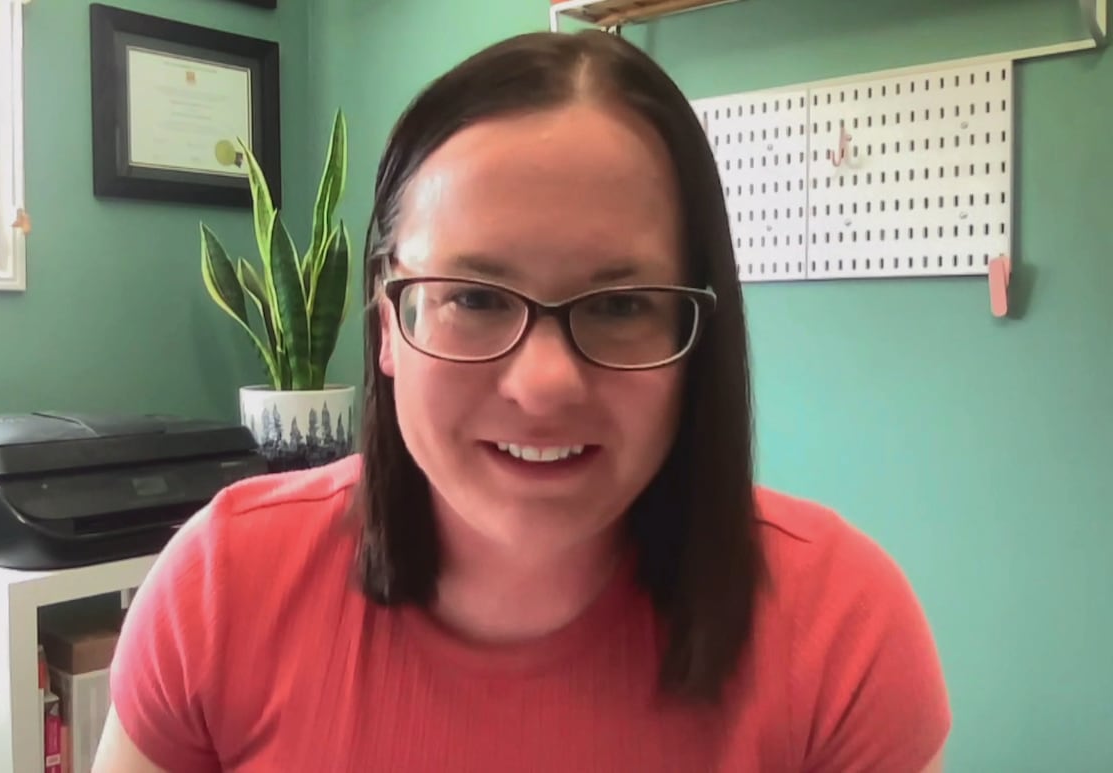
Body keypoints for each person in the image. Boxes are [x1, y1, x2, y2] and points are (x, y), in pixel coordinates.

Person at [93, 29, 951, 773]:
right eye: (474, 297)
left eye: (620, 305)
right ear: (388, 322)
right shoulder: (220, 591)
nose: (543, 384)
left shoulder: (842, 631)